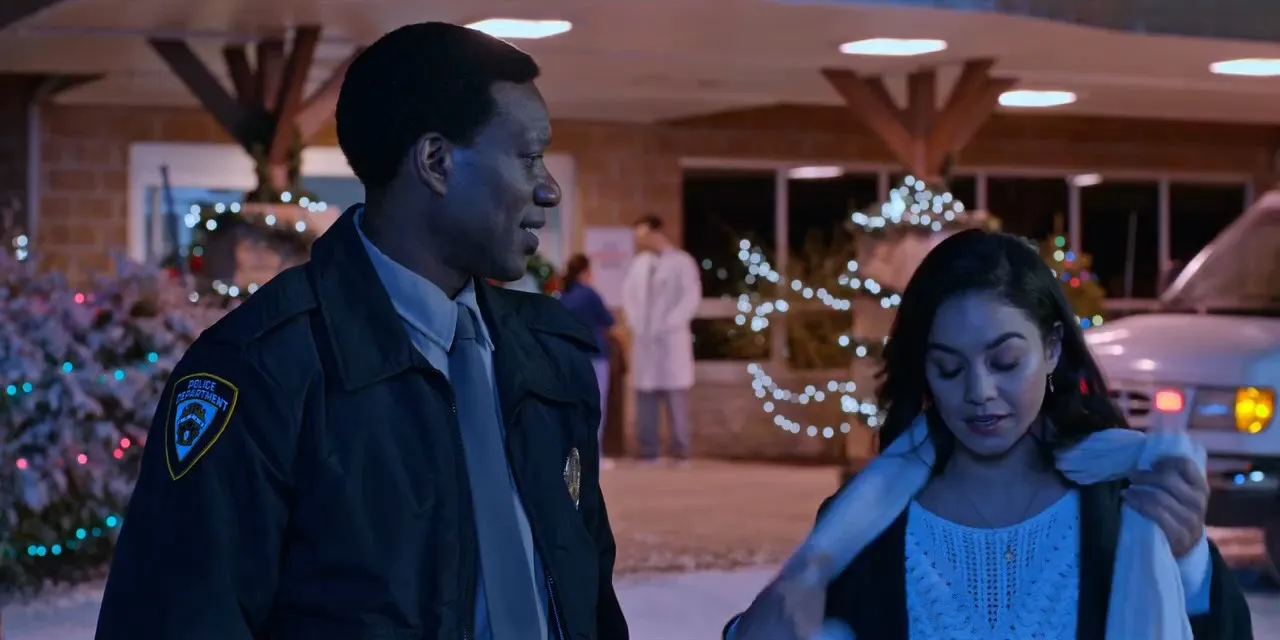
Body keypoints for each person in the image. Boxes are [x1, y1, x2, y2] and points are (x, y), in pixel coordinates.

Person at [95, 22, 628, 640]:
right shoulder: (259, 372)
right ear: (436, 162)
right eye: (529, 156)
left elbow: (589, 603)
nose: (550, 188)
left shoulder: (550, 358)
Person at [726, 229, 1251, 640]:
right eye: (949, 368)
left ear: (1051, 348)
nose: (979, 392)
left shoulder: (1123, 500)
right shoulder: (860, 527)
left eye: (1005, 361)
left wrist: (1189, 560)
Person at [620, 215, 701, 465]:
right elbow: (629, 297)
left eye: (643, 236)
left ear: (656, 233)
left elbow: (690, 299)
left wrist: (669, 325)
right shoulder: (639, 264)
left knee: (675, 401)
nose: (640, 242)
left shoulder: (682, 262)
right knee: (645, 401)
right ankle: (649, 451)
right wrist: (635, 323)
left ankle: (680, 451)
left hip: (671, 341)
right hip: (645, 343)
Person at [559, 253, 617, 467]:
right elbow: (609, 321)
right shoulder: (589, 294)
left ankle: (572, 456)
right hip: (595, 358)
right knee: (595, 408)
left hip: (570, 358)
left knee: (573, 408)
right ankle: (593, 456)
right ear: (585, 271)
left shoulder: (563, 296)